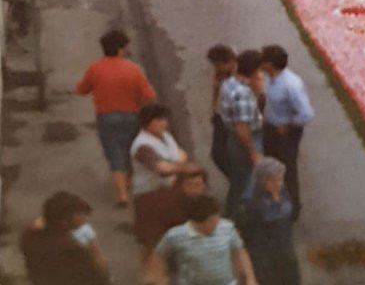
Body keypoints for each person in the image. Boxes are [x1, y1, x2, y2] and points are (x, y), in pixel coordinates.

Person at [75, 29, 156, 205]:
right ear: (121, 49)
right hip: (131, 116)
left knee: (113, 153)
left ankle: (121, 194)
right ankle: (128, 182)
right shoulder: (134, 69)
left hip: (106, 117)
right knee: (129, 151)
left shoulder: (95, 68)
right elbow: (150, 95)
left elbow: (81, 90)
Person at [130, 103, 189, 279]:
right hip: (149, 197)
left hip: (170, 193)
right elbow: (162, 169)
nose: (164, 123)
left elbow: (181, 154)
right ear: (146, 123)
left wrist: (175, 164)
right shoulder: (142, 146)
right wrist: (180, 165)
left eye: (164, 119)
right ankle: (151, 277)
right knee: (152, 242)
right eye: (158, 120)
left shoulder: (166, 136)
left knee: (175, 236)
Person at [151, 194, 257, 285]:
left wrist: (250, 278)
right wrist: (160, 281)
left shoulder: (227, 228)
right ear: (200, 222)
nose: (217, 223)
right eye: (212, 221)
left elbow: (239, 252)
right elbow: (158, 256)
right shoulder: (175, 235)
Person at [260, 45, 313, 220]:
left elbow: (306, 113)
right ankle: (274, 201)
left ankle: (292, 210)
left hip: (285, 134)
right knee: (270, 167)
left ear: (270, 64)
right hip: (270, 129)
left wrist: (289, 125)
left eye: (263, 60)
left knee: (286, 170)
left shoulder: (291, 84)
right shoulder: (270, 79)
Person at [21, 192, 110, 285]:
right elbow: (101, 276)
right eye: (79, 214)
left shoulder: (30, 236)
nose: (85, 217)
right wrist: (93, 248)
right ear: (64, 220)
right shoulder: (72, 248)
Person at [237, 157, 300, 285]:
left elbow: (289, 214)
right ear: (262, 180)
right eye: (272, 180)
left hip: (286, 254)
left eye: (280, 179)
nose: (278, 183)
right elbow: (249, 236)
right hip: (265, 260)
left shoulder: (283, 193)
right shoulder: (250, 203)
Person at [219, 49, 264, 219]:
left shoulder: (230, 82)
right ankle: (238, 215)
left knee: (240, 179)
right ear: (254, 71)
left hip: (233, 136)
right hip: (245, 139)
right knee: (245, 180)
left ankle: (233, 211)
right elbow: (242, 127)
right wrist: (252, 152)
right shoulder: (243, 94)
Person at [206, 44, 237, 179]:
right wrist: (213, 109)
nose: (216, 68)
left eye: (218, 65)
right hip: (221, 116)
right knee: (217, 154)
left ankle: (239, 180)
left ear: (230, 61)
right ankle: (234, 177)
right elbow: (216, 89)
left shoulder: (240, 74)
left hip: (235, 119)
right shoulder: (220, 73)